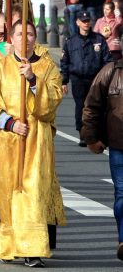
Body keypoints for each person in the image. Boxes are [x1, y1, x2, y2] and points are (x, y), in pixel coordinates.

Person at [0, 20, 66, 268]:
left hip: (37, 142)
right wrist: (9, 123)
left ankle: (33, 249)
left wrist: (32, 80)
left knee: (33, 193)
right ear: (12, 37)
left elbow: (52, 101)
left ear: (35, 37)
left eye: (29, 34)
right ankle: (11, 243)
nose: (25, 38)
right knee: (9, 194)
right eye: (20, 34)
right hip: (7, 143)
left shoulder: (47, 66)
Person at [81, 59, 123, 262]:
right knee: (122, 194)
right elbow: (92, 106)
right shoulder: (111, 72)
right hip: (119, 146)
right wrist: (91, 138)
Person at [61, 9, 113, 145]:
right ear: (77, 22)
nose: (86, 23)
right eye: (83, 21)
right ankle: (83, 133)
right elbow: (64, 62)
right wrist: (64, 81)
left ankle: (97, 134)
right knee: (81, 106)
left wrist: (107, 78)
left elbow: (107, 60)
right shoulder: (71, 41)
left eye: (87, 21)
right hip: (77, 79)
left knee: (97, 106)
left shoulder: (98, 39)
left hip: (95, 79)